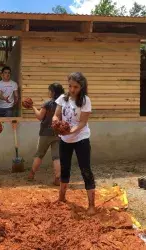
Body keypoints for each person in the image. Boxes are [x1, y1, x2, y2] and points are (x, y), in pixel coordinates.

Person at [53, 72, 96, 215]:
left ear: (81, 87)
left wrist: (71, 131)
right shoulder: (62, 98)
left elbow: (83, 122)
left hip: (81, 139)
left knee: (85, 170)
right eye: (70, 86)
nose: (72, 90)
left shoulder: (85, 101)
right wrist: (55, 120)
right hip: (65, 139)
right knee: (65, 169)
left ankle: (91, 205)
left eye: (76, 87)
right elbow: (57, 114)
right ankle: (61, 198)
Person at [28, 83, 64, 186]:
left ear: (53, 92)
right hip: (57, 133)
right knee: (56, 157)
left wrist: (33, 107)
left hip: (45, 133)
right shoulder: (62, 104)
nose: (48, 92)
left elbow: (40, 117)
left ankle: (31, 174)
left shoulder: (48, 104)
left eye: (49, 90)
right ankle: (57, 178)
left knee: (39, 154)